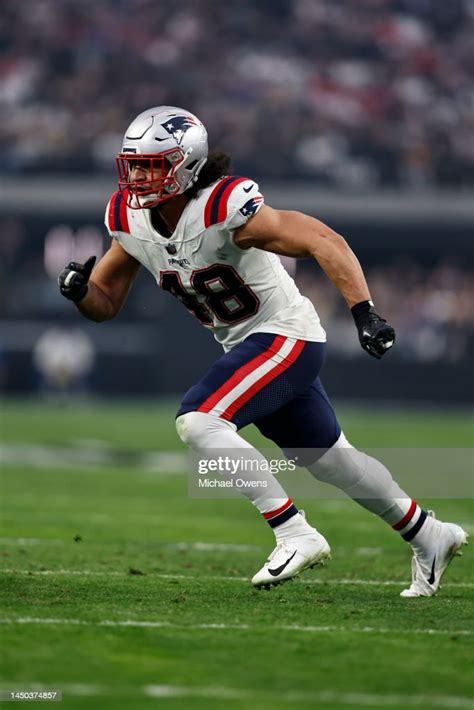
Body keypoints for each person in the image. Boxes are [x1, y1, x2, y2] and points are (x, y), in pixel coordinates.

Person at [58, 106, 467, 596]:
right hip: (251, 343)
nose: (141, 176)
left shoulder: (224, 206)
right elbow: (104, 305)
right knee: (334, 461)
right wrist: (80, 291)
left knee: (199, 420)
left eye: (153, 164)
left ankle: (293, 531)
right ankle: (430, 534)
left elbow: (322, 239)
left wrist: (365, 314)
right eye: (135, 165)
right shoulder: (128, 216)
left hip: (284, 335)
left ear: (186, 163)